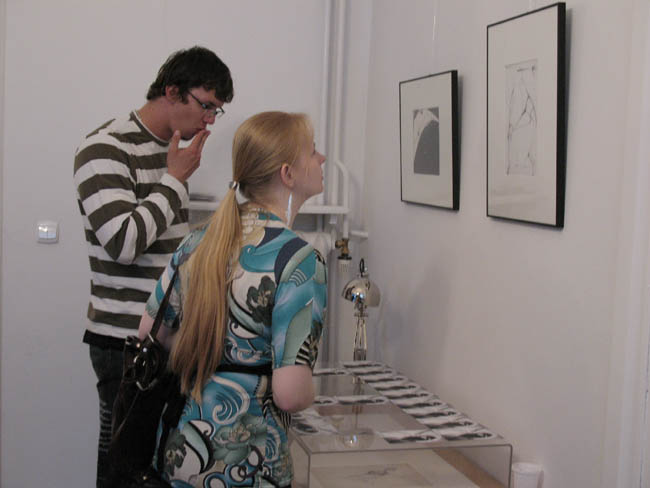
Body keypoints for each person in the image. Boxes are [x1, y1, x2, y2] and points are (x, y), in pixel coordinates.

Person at [73, 46, 234, 488]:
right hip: (123, 341)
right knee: (121, 465)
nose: (209, 121)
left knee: (158, 463)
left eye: (216, 111)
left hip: (169, 338)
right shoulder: (104, 148)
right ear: (172, 91)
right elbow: (124, 243)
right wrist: (174, 179)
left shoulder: (172, 150)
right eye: (206, 106)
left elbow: (168, 253)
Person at [139, 111, 328, 487]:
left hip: (178, 453)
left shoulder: (198, 241)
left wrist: (209, 351)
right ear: (287, 174)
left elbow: (149, 332)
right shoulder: (299, 261)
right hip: (249, 465)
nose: (322, 159)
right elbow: (290, 395)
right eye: (312, 151)